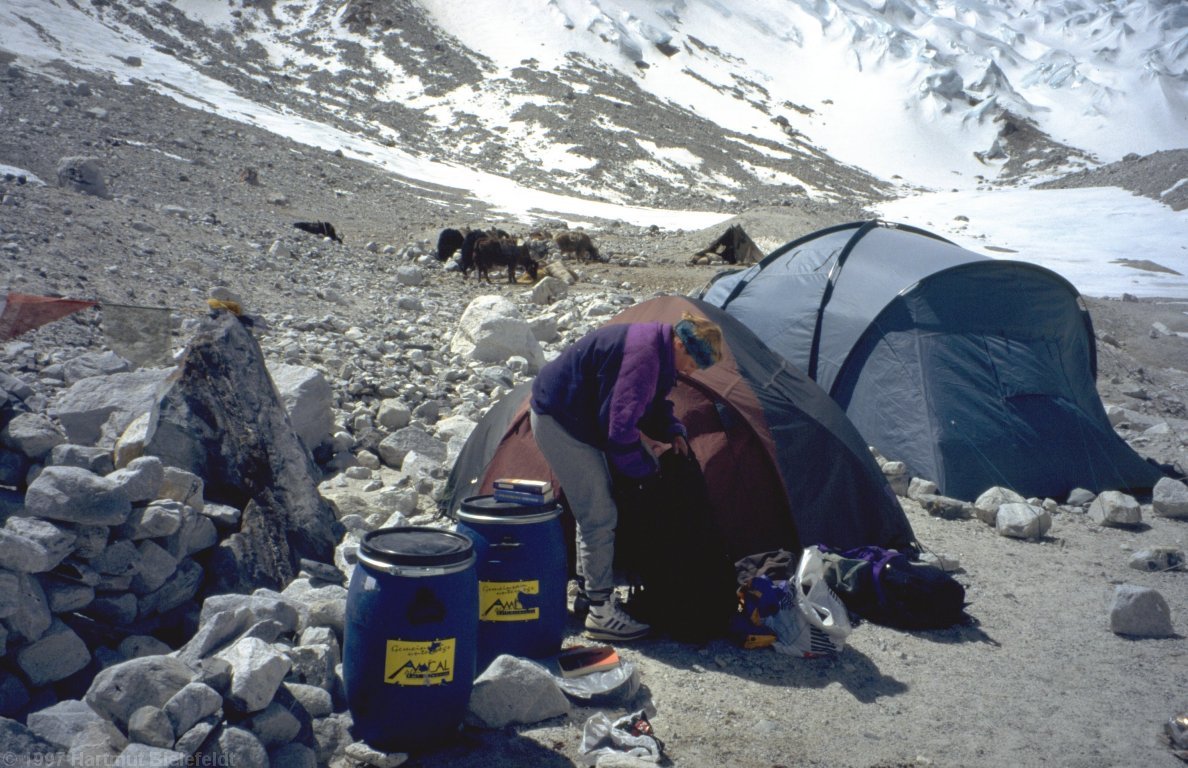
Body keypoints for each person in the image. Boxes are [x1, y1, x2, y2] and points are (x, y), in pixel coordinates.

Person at [530, 311, 725, 641]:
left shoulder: (660, 350)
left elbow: (653, 402)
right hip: (559, 420)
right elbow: (619, 433)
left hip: (579, 415)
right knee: (599, 513)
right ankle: (602, 614)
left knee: (593, 509)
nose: (692, 371)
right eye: (693, 361)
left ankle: (588, 596)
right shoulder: (644, 357)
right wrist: (647, 475)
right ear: (680, 342)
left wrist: (673, 430)